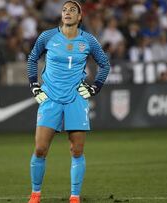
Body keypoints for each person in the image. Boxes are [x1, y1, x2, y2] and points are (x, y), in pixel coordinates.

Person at [26, 1, 110, 203]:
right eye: (65, 10)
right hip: (51, 97)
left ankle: (74, 196)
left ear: (80, 16)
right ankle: (35, 194)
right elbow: (32, 59)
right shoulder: (47, 36)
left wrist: (95, 88)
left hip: (76, 99)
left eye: (73, 10)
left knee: (77, 150)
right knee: (40, 149)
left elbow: (104, 64)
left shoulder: (88, 40)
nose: (68, 12)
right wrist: (33, 85)